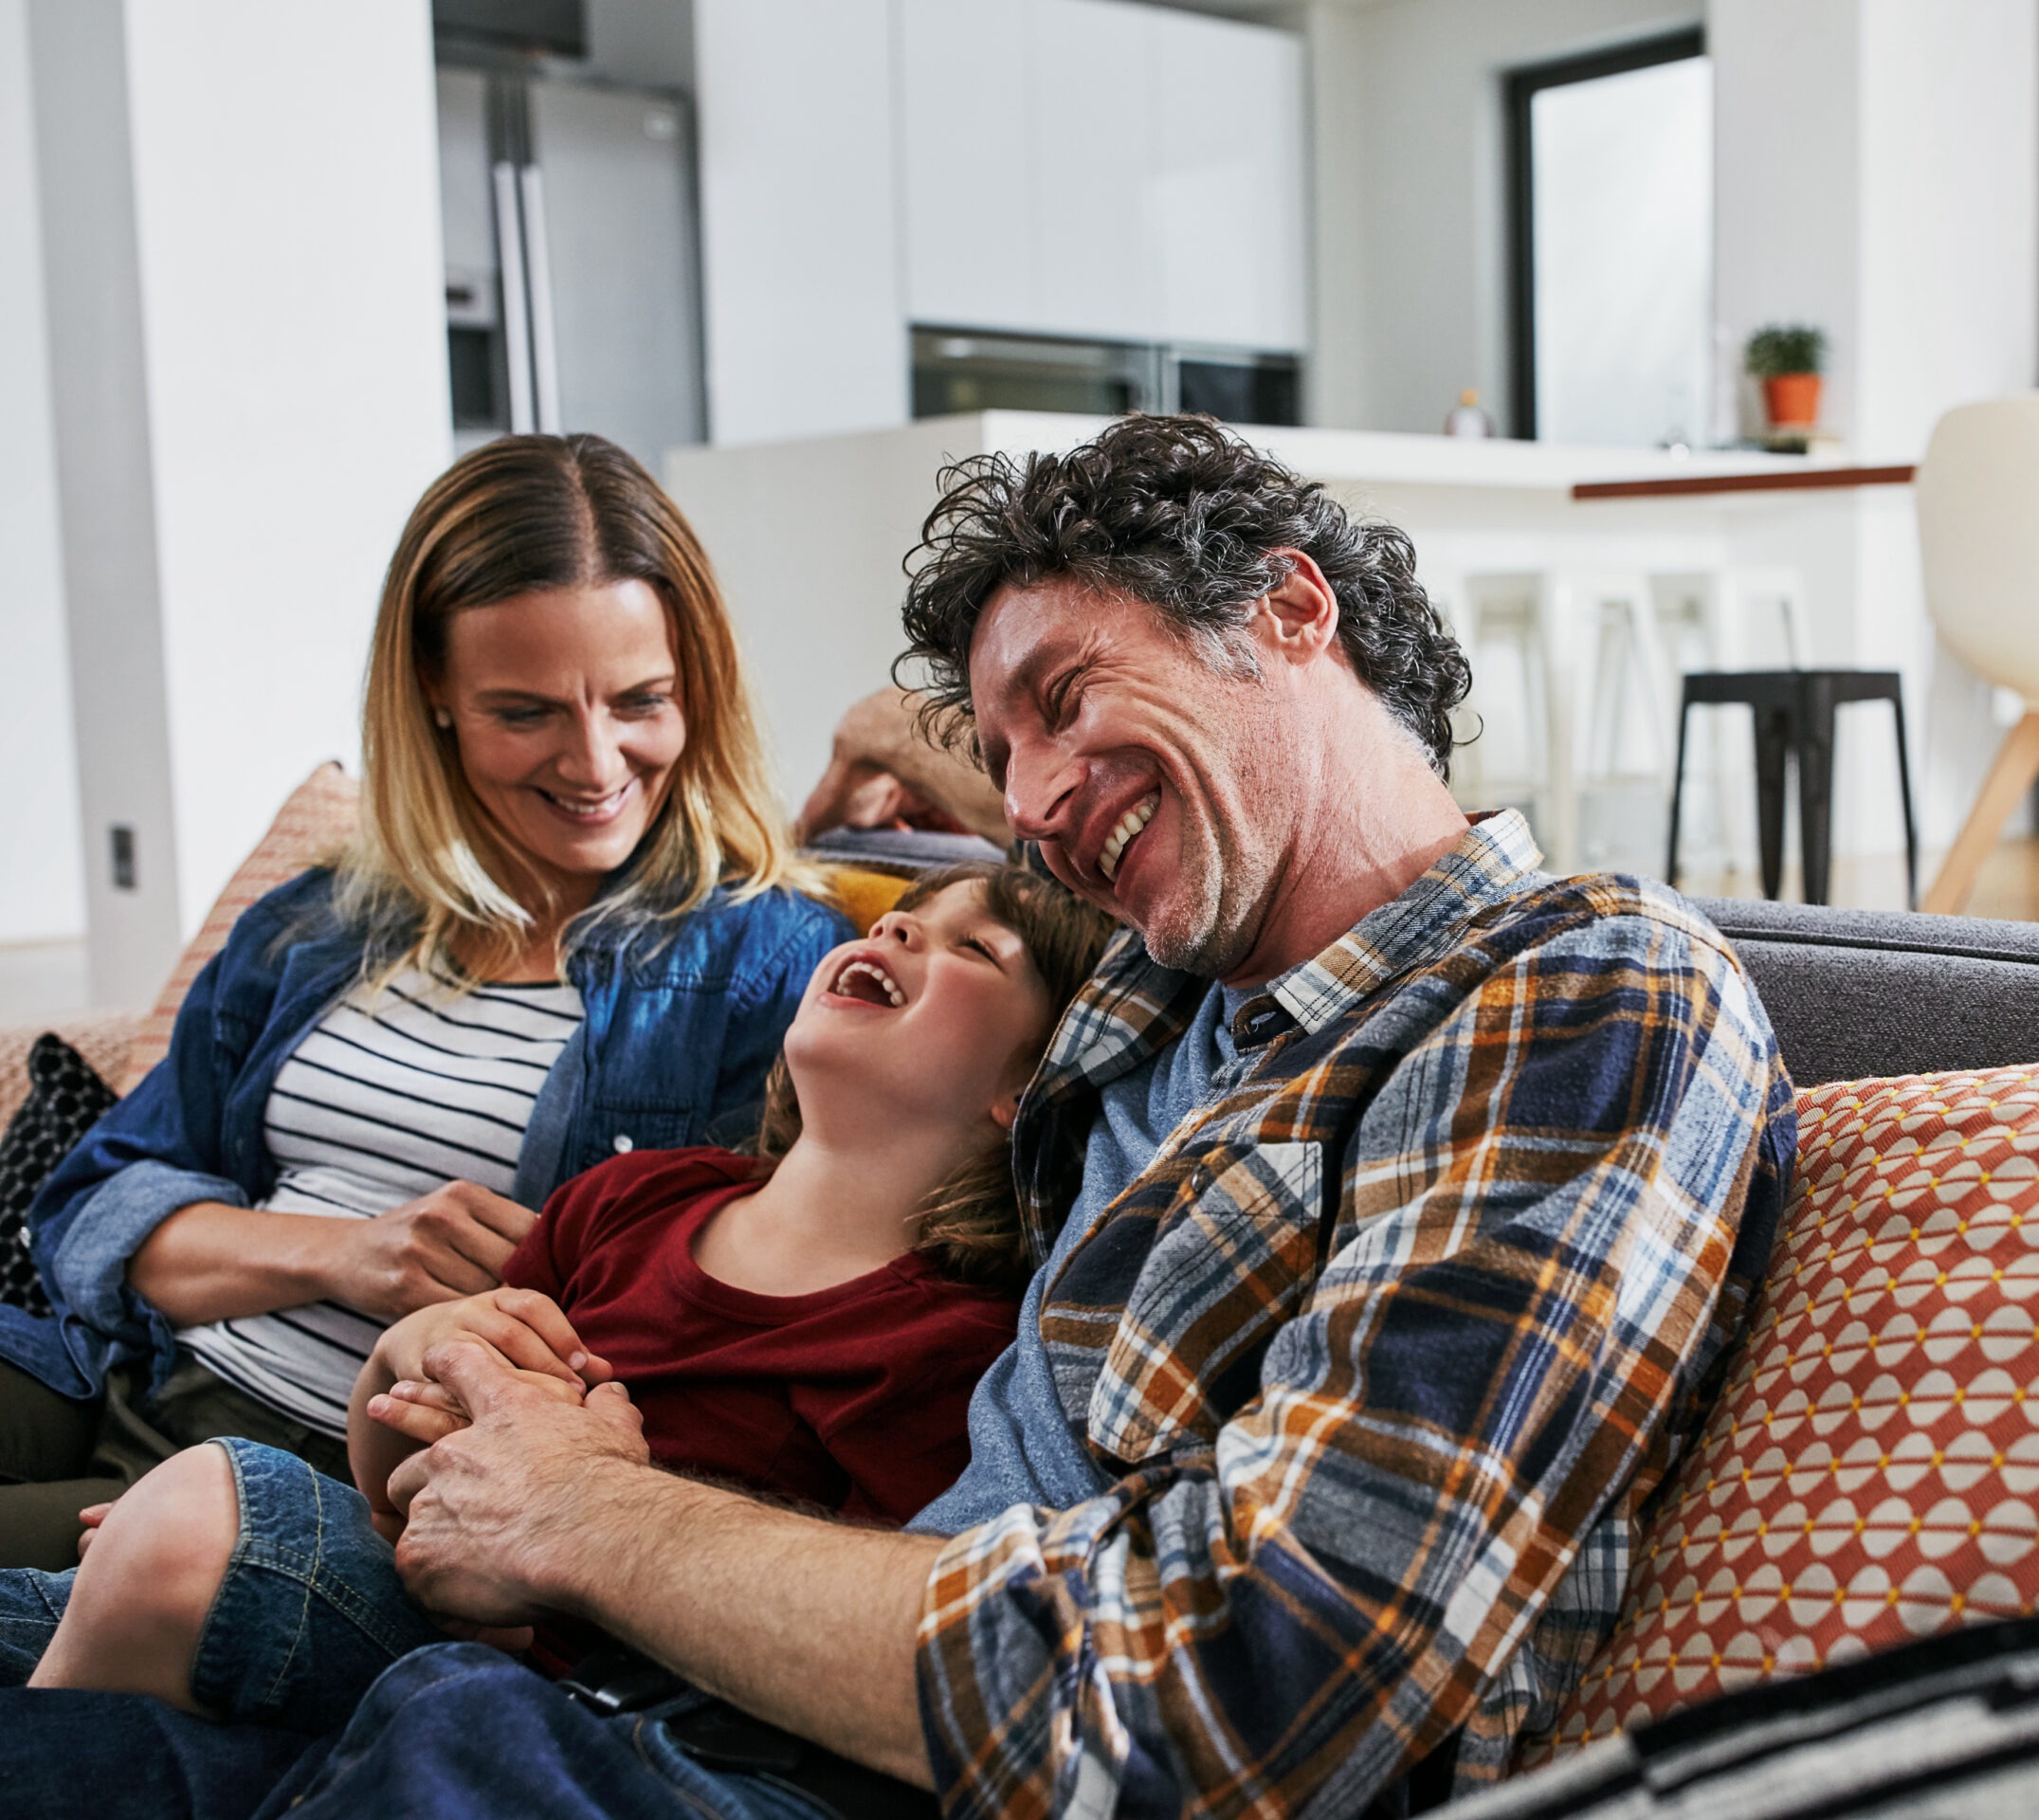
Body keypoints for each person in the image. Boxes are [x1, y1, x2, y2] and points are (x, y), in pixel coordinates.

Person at [0, 414, 1797, 1820]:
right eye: (1001, 754)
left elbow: (1244, 1697)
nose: (1027, 797)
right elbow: (921, 840)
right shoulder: (1163, 990)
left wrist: (588, 1518)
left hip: (846, 1753)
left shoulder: (1571, 988)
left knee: (449, 1729)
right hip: (717, 1684)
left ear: (1290, 606)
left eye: (1064, 701)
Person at [10, 864, 1114, 1749]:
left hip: (565, 1706)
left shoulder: (947, 1346)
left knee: (198, 1512)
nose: (901, 933)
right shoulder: (632, 1197)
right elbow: (401, 1483)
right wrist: (413, 1347)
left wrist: (228, 1537)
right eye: (907, 918)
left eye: (973, 946)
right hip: (406, 1586)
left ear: (1030, 1087)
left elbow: (824, 1651)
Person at [0, 433, 851, 1569]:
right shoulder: (325, 918)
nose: (597, 763)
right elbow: (93, 1204)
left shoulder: (771, 962)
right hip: (120, 1369)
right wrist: (343, 1254)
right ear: (434, 698)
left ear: (699, 686)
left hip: (327, 1469)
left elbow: (720, 1344)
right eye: (526, 711)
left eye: (640, 700)